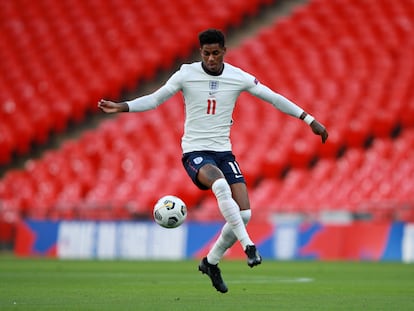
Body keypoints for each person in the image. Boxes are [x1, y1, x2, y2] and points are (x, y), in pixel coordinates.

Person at [98, 28, 328, 293]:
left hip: (224, 152)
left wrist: (309, 119)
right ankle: (249, 247)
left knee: (245, 213)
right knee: (220, 185)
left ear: (224, 51)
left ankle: (211, 261)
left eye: (215, 53)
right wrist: (122, 106)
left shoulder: (237, 76)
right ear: (200, 52)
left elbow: (273, 98)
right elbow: (155, 100)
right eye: (206, 54)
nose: (210, 59)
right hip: (195, 152)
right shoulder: (186, 73)